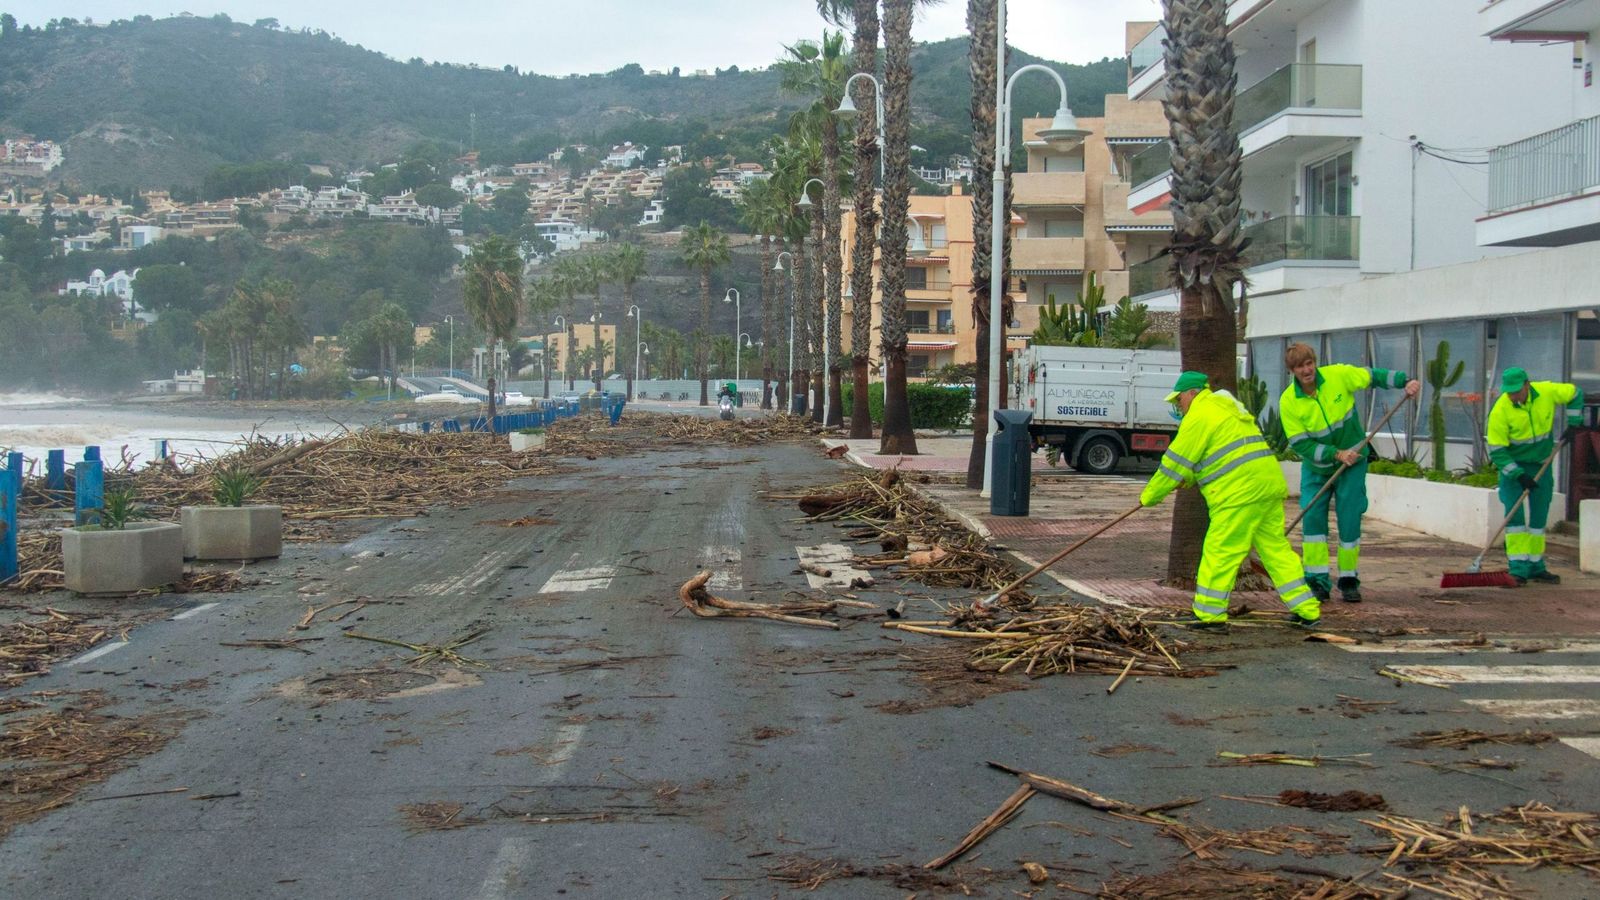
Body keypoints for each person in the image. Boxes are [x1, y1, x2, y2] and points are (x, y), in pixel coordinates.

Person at [1141, 371, 1321, 631]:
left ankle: (1209, 615)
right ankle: (1307, 611)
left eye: (1179, 400)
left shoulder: (1200, 415)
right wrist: (1190, 479)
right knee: (1277, 551)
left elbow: (1174, 463)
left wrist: (1149, 497)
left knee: (1220, 552)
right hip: (1266, 487)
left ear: (1192, 393)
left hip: (1239, 495)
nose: (1179, 406)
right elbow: (1219, 455)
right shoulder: (1228, 409)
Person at [1278, 344, 1421, 603]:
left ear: (1315, 362)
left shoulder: (1338, 376)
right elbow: (1301, 444)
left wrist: (1405, 381)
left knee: (1350, 518)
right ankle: (1317, 581)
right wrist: (1335, 453)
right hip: (1317, 468)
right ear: (1292, 371)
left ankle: (1348, 580)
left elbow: (1371, 376)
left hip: (1353, 465)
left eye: (1309, 363)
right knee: (1312, 524)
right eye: (1300, 366)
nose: (1307, 370)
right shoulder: (1289, 401)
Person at [1486, 367, 1584, 585]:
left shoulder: (1546, 391)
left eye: (1516, 391)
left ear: (1527, 385)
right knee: (1515, 519)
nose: (1512, 395)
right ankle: (1518, 569)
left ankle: (1536, 566)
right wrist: (1519, 475)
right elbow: (1497, 451)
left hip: (1541, 465)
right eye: (1509, 392)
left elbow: (1576, 393)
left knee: (1539, 518)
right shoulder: (1500, 410)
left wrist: (1574, 422)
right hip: (1513, 469)